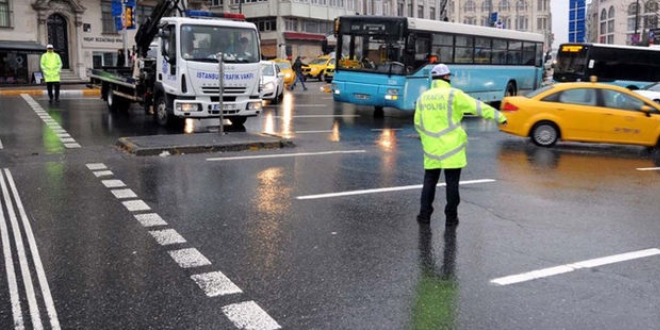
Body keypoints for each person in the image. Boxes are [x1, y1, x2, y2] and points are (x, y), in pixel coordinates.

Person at [414, 63, 507, 228]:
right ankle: (451, 218)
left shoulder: (423, 97)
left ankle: (424, 215)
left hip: (432, 148)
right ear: (447, 77)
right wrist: (499, 116)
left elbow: (418, 124)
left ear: (433, 78)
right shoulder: (454, 95)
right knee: (452, 184)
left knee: (429, 182)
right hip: (452, 148)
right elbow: (477, 107)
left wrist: (427, 138)